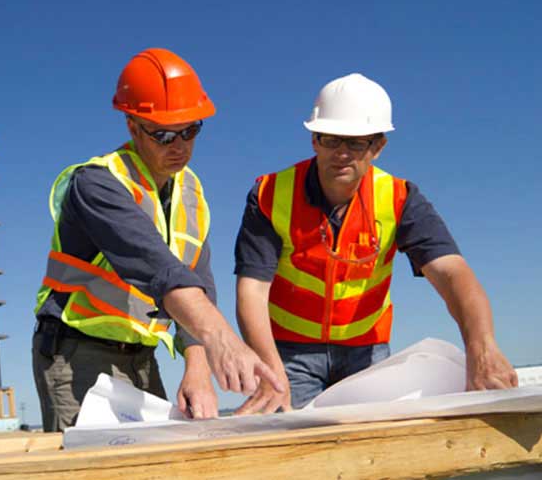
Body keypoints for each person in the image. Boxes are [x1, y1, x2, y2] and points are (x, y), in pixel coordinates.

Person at [233, 73, 519, 413]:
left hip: (366, 351)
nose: (341, 153)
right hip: (288, 353)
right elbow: (252, 290)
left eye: (355, 143)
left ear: (377, 147)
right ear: (314, 140)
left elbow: (452, 273)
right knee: (289, 444)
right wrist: (269, 369)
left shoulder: (400, 198)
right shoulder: (269, 194)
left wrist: (482, 347)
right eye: (331, 139)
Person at [32, 48, 283, 432]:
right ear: (133, 126)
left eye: (190, 130)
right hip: (75, 352)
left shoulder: (190, 192)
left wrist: (197, 367)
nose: (179, 145)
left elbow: (197, 280)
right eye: (164, 134)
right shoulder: (98, 184)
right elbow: (160, 270)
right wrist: (221, 338)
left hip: (141, 356)